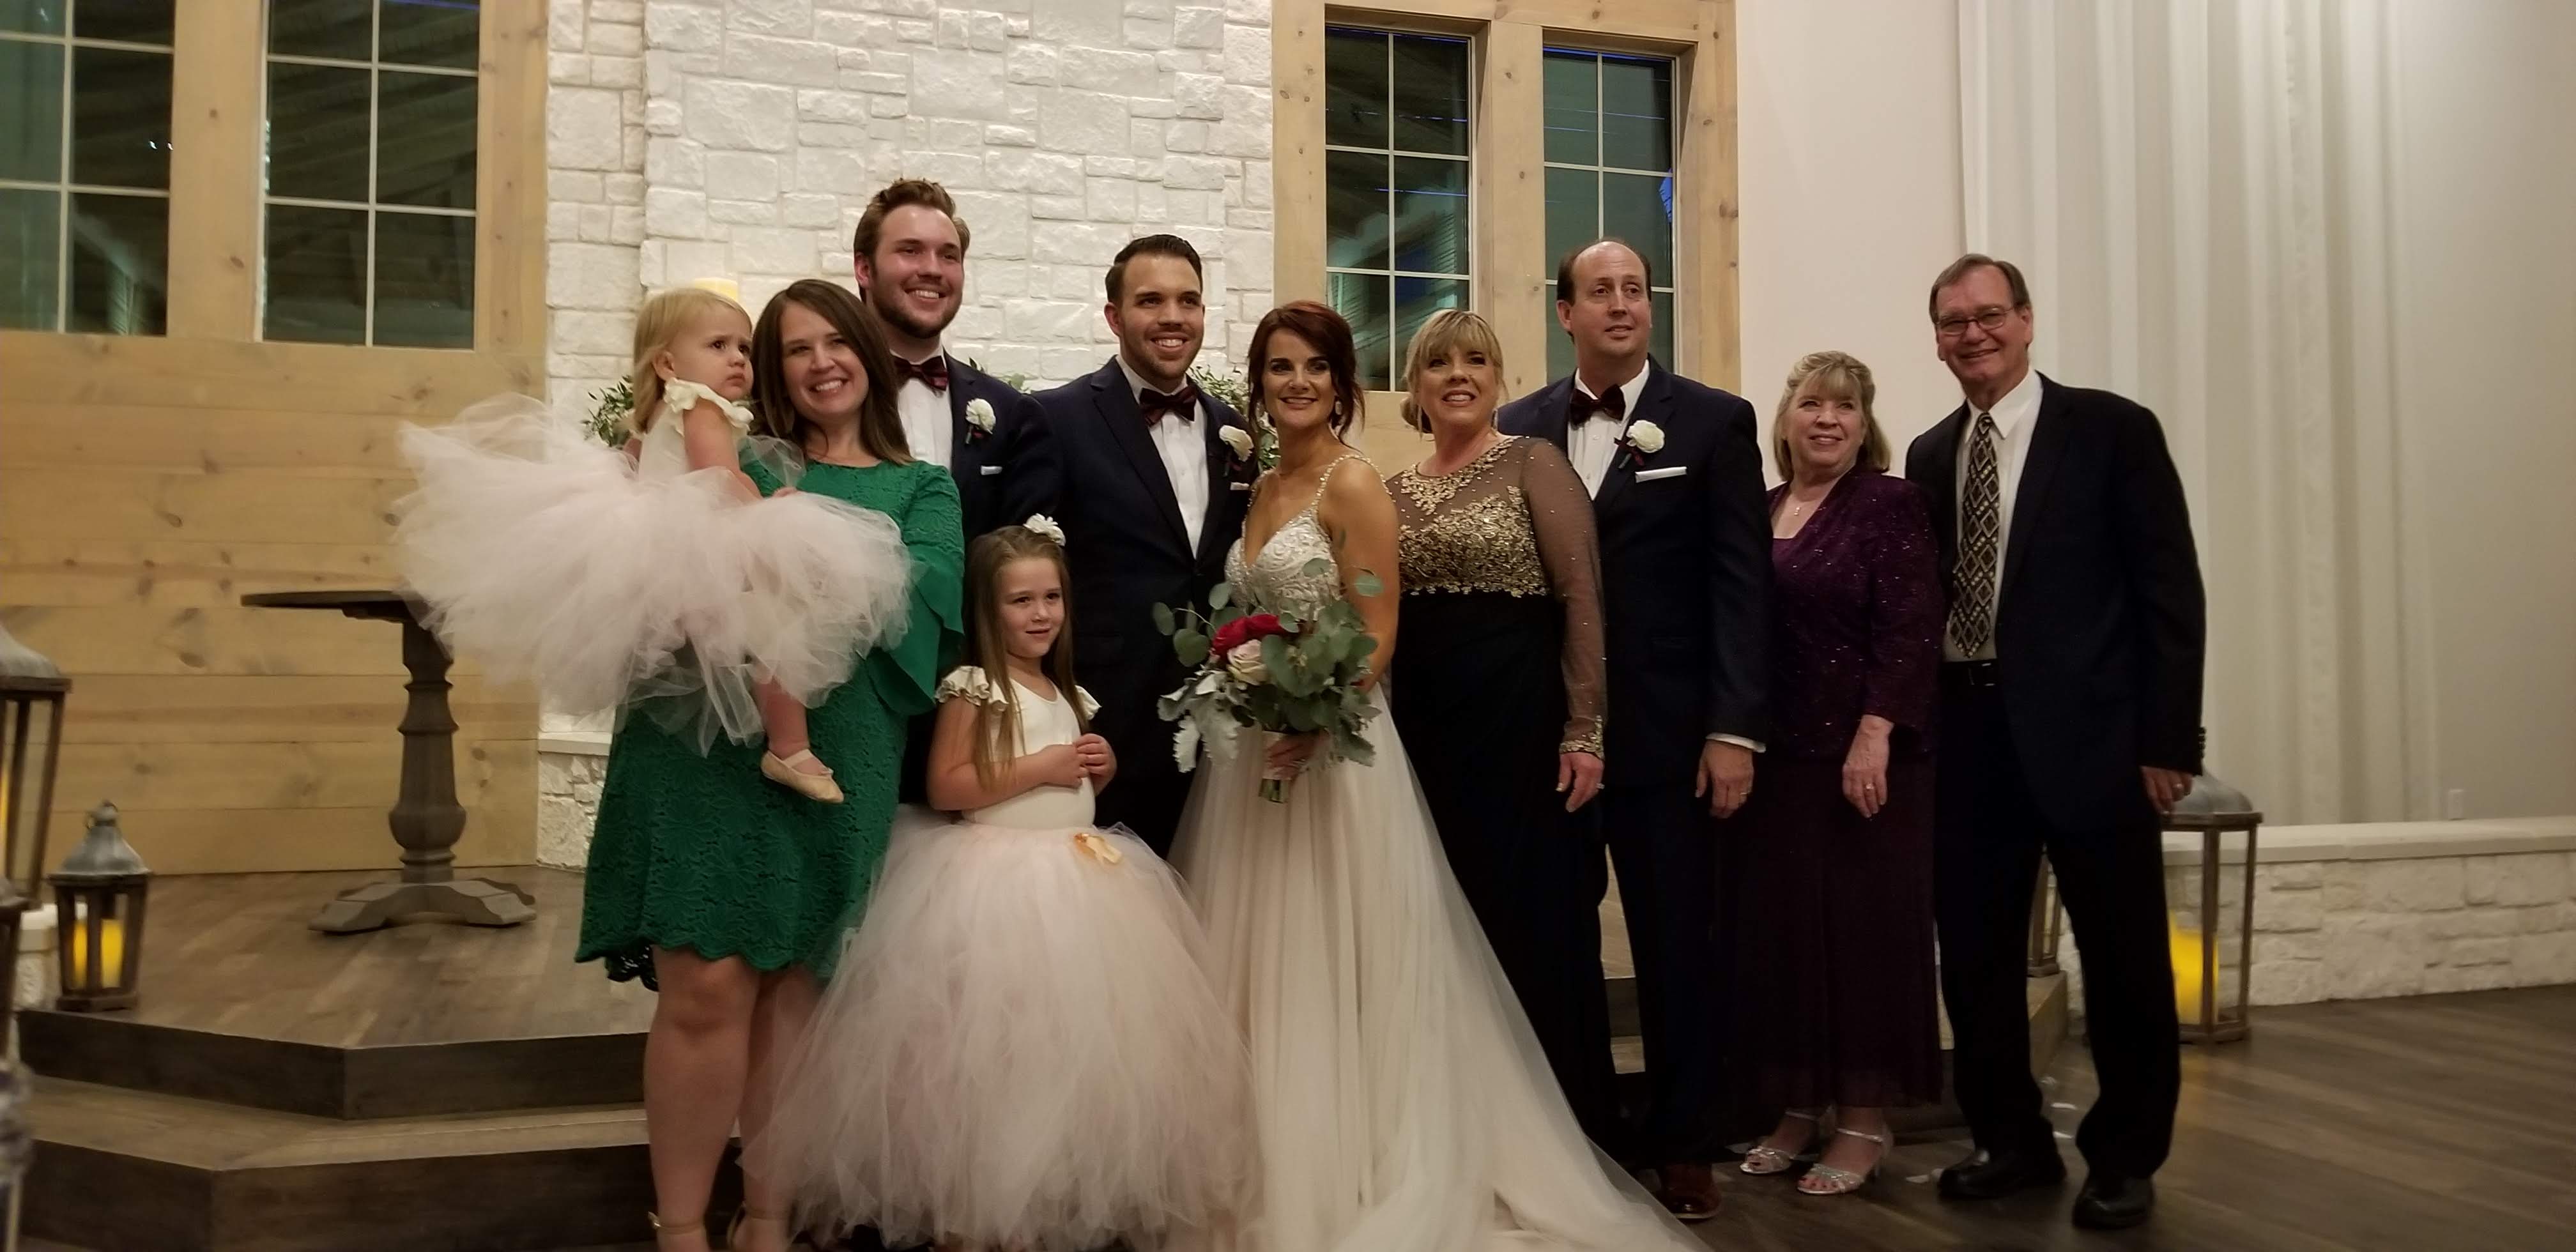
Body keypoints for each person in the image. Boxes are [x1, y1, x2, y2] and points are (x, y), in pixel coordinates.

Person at [1172, 302, 1699, 1251]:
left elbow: (1378, 634)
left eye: (1315, 369)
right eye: (1279, 368)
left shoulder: (1361, 480)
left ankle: (1373, 1156)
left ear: (1342, 384)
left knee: (1359, 951)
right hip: (1271, 755)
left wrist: (1313, 715)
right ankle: (1275, 1151)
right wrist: (1243, 684)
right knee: (1271, 958)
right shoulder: (1263, 488)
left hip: (1338, 747)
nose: (1296, 384)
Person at [523, 280, 960, 1252]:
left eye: (833, 343)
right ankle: (680, 1226)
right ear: (768, 368)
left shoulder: (922, 488)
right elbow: (635, 591)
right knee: (706, 985)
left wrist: (793, 565)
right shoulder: (728, 455)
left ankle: (768, 1216)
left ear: (870, 356)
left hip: (837, 756)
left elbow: (921, 611)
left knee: (795, 996)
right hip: (699, 752)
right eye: (792, 349)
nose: (819, 363)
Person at [756, 521, 1249, 1252]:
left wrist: (1094, 765)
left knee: (1061, 1051)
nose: (1041, 613)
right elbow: (949, 785)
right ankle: (969, 1207)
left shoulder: (1062, 687)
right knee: (985, 1057)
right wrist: (1043, 768)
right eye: (1021, 600)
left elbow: (1060, 769)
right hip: (993, 887)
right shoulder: (976, 687)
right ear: (988, 611)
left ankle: (1044, 1197)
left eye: (1052, 597)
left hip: (1076, 881)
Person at [1904, 254, 2205, 1231]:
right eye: (1953, 322)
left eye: (1989, 315)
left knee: (2122, 960)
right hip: (1969, 737)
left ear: (2026, 321)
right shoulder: (1930, 452)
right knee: (1979, 959)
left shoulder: (2112, 431)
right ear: (1938, 336)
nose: (1972, 335)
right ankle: (2011, 1141)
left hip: (2098, 744)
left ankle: (2124, 1156)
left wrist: (2169, 740)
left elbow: (2171, 595)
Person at [1494, 238, 1773, 1219]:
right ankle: (1579, 1131)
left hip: (1668, 738)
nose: (1621, 305)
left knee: (1676, 945)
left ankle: (1687, 1139)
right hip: (1551, 740)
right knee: (1557, 940)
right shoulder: (1517, 426)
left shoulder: (1712, 421)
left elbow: (1743, 589)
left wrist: (1735, 729)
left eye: (1634, 290)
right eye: (1599, 292)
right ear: (1563, 313)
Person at [395, 285, 915, 805]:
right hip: (695, 543)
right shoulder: (703, 408)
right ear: (668, 363)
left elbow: (632, 465)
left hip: (658, 552)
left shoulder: (663, 413)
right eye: (718, 346)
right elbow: (719, 478)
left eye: (744, 348)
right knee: (778, 626)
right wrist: (770, 509)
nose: (737, 359)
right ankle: (790, 747)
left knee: (736, 631)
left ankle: (779, 740)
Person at [1382, 308, 1620, 1149]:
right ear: (1415, 384)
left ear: (1498, 377)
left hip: (1521, 727)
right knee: (1447, 924)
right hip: (1425, 735)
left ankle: (1559, 1131)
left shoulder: (1534, 463)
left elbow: (1582, 597)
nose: (1458, 374)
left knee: (1533, 919)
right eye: (1439, 361)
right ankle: (1459, 1133)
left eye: (1476, 359)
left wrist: (1583, 730)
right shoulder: (1394, 491)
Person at [1728, 351, 1942, 1197]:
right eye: (1812, 403)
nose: (1827, 420)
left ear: (1865, 423)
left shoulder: (1890, 503)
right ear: (1786, 418)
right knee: (1788, 941)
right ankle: (1797, 1106)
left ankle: (1864, 1118)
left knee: (1862, 943)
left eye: (1845, 408)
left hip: (1864, 764)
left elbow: (1912, 626)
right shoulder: (1766, 508)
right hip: (1780, 762)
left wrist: (1875, 733)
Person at [1034, 234, 1255, 857]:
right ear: (1114, 316)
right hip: (1106, 716)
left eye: (1189, 301)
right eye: (1151, 300)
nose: (1172, 317)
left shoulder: (1235, 429)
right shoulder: (1057, 418)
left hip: (1221, 722)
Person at [852, 178, 1060, 538]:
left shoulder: (1013, 416)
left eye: (949, 255)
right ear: (865, 270)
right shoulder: (821, 394)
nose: (933, 269)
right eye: (910, 250)